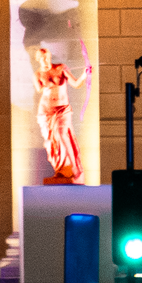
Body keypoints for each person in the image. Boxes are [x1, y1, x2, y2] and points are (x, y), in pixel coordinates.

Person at [32, 43, 93, 184]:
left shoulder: (61, 68)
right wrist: (46, 83)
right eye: (42, 59)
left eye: (47, 58)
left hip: (62, 109)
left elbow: (76, 84)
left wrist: (84, 74)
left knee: (62, 135)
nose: (46, 61)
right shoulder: (38, 74)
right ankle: (60, 170)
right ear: (38, 60)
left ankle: (74, 168)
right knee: (51, 142)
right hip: (46, 111)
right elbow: (39, 89)